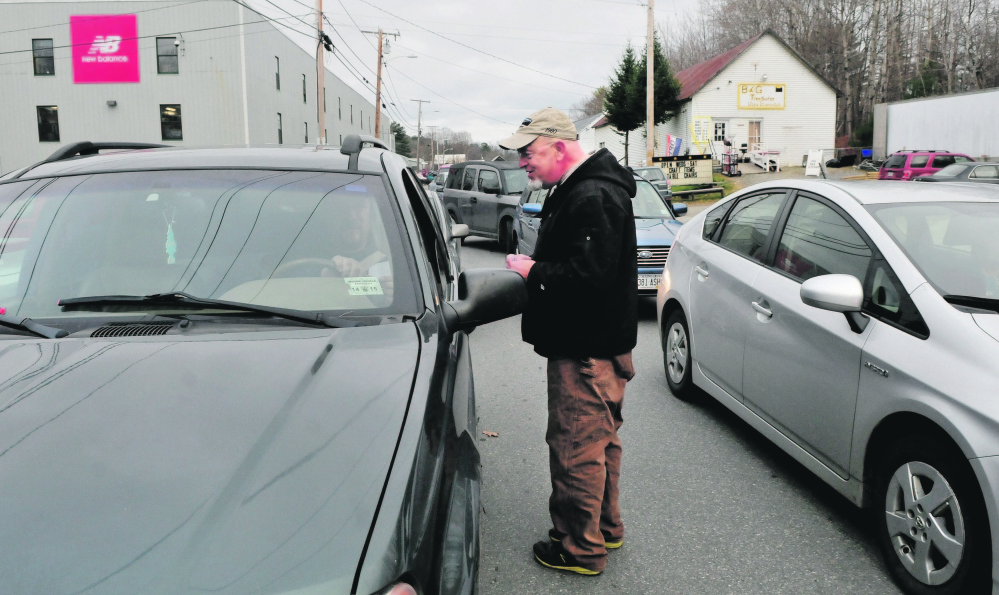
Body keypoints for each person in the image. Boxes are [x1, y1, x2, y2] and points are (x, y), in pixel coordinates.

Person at [499, 107, 638, 576]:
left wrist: (532, 270)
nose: (523, 162)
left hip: (585, 351)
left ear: (558, 146)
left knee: (576, 447)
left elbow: (590, 278)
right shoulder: (580, 187)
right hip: (598, 344)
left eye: (528, 152)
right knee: (600, 443)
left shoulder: (593, 194)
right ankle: (606, 528)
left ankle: (580, 550)